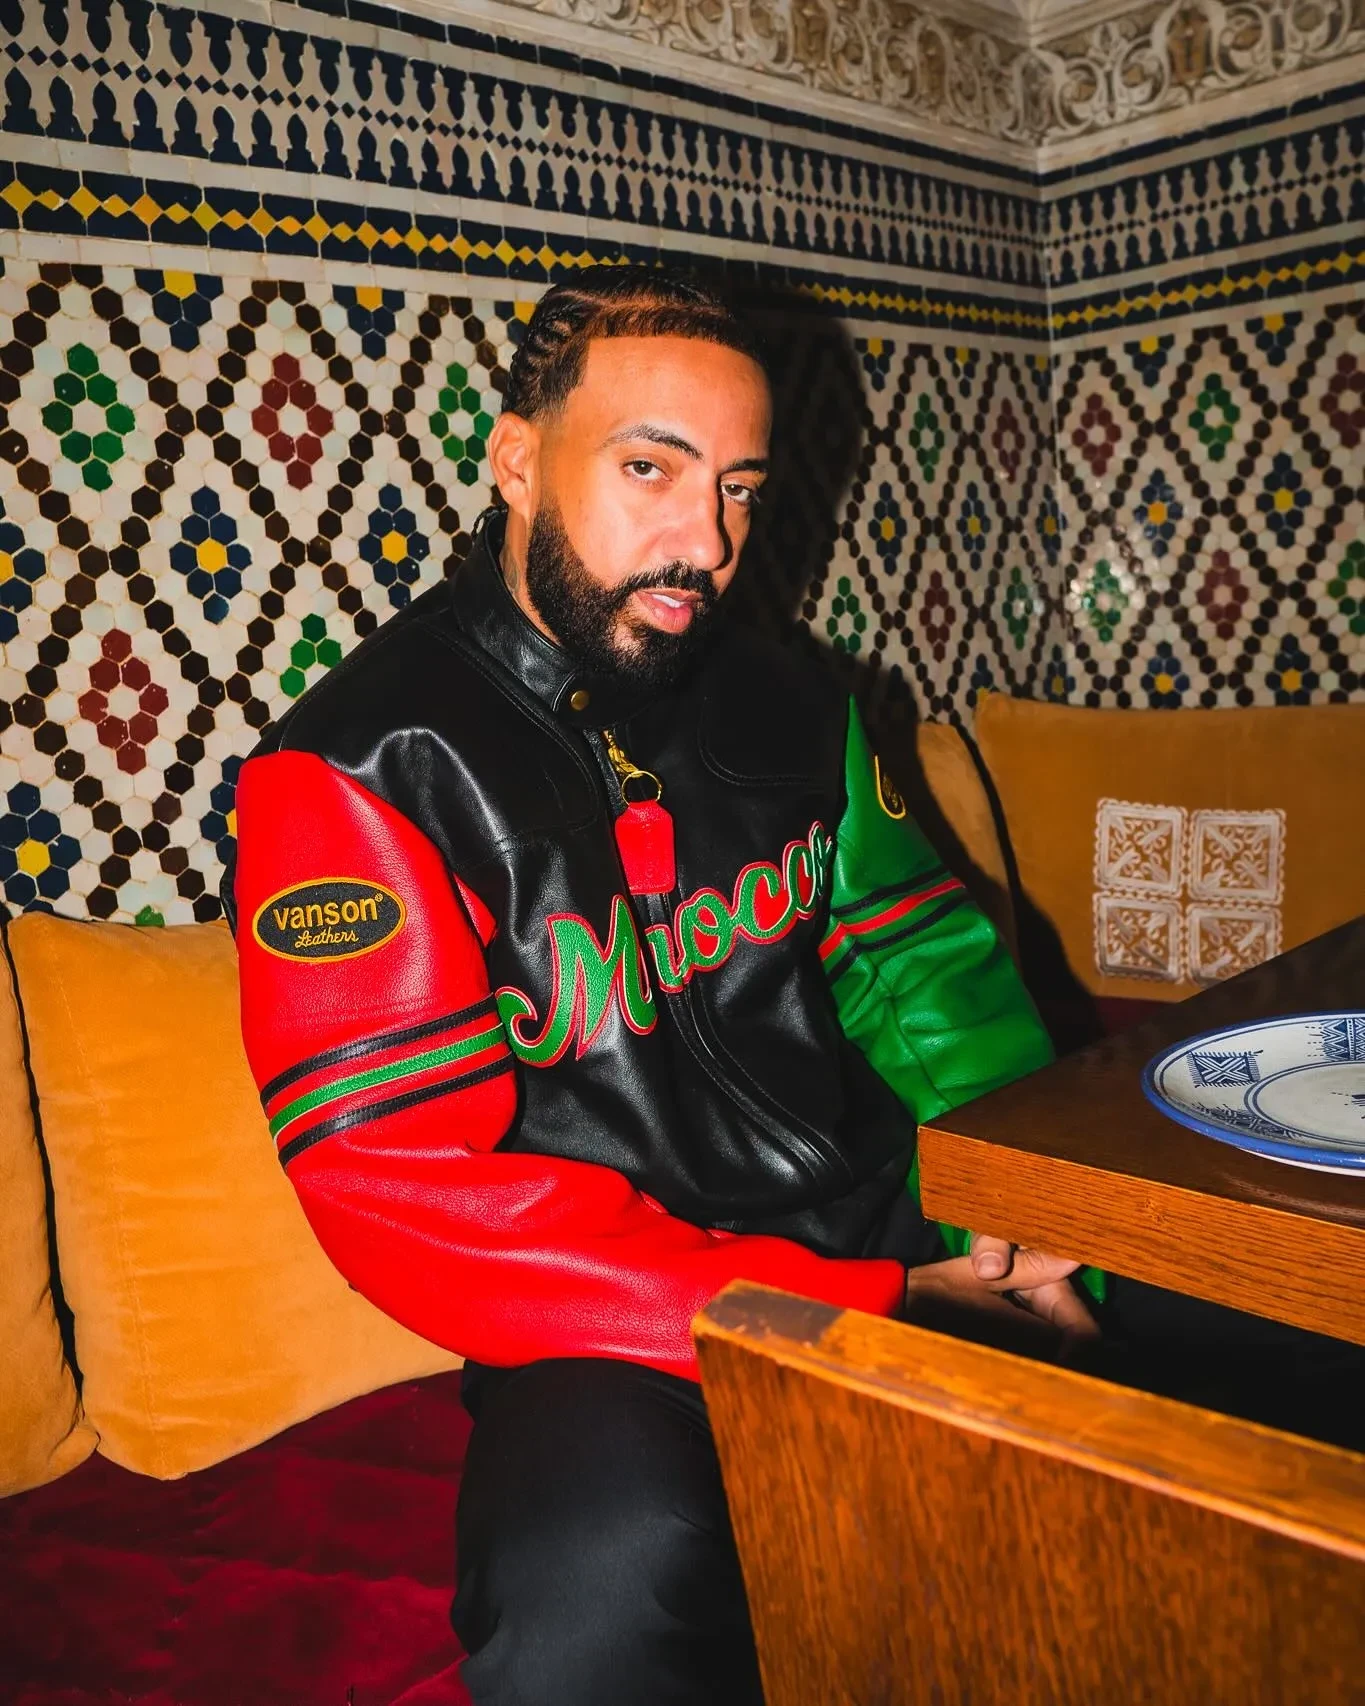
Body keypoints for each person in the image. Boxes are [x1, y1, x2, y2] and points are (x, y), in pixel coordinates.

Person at [223, 268, 1359, 1705]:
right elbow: (408, 1190)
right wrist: (864, 1310)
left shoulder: (797, 703)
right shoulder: (355, 769)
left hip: (887, 1209)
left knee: (1297, 1323)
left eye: (741, 490)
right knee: (591, 1603)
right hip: (615, 1313)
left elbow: (925, 976)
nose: (705, 541)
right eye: (651, 469)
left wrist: (1032, 1222)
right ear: (516, 459)